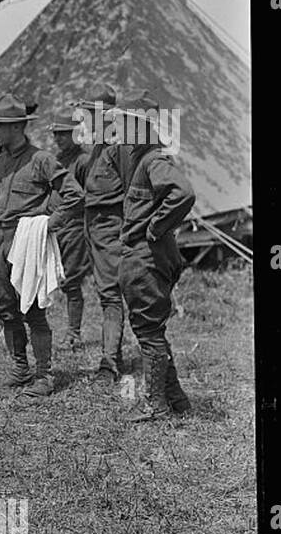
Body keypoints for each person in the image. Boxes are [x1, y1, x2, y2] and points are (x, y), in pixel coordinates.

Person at [0, 93, 69, 397]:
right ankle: (20, 368)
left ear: (17, 127)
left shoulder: (41, 159)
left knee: (32, 307)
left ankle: (44, 374)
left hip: (28, 238)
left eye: (0, 126)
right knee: (5, 307)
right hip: (0, 241)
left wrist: (51, 223)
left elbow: (73, 195)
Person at [115, 89, 196, 421]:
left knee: (148, 333)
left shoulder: (153, 160)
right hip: (142, 255)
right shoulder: (139, 158)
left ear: (140, 126)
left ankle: (156, 406)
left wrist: (155, 228)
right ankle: (176, 400)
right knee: (152, 330)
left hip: (146, 256)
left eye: (122, 122)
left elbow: (183, 193)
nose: (117, 129)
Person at [66, 88, 128, 382]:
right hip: (92, 225)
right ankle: (111, 359)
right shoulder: (97, 149)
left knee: (112, 296)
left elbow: (134, 192)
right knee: (106, 295)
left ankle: (110, 364)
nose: (85, 120)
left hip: (111, 226)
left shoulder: (119, 147)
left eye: (91, 113)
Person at [47, 113, 93, 350]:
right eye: (56, 134)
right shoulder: (57, 160)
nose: (59, 139)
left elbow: (88, 196)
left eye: (64, 133)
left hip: (75, 226)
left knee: (72, 281)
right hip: (56, 227)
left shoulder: (84, 161)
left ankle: (73, 333)